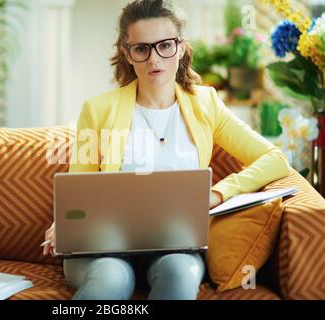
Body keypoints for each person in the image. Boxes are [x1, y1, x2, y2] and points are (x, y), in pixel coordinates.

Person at [42, 0, 290, 300]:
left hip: (175, 247)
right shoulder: (97, 110)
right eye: (142, 48)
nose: (154, 59)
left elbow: (275, 158)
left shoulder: (206, 104)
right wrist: (63, 225)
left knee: (180, 273)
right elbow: (78, 188)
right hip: (101, 250)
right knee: (112, 278)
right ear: (127, 52)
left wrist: (219, 193)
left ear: (181, 47)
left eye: (165, 46)